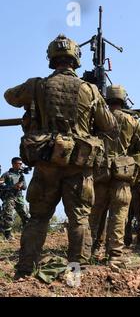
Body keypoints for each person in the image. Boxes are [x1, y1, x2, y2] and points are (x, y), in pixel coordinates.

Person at [4, 34, 117, 278]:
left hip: (46, 164)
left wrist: (34, 100)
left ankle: (24, 271)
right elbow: (108, 125)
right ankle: (77, 271)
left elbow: (9, 96)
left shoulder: (36, 85)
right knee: (79, 219)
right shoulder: (90, 90)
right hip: (78, 166)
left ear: (51, 58)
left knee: (38, 218)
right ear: (76, 59)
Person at [89, 84, 140, 268]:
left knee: (96, 213)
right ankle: (114, 256)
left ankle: (89, 251)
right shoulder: (130, 120)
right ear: (123, 99)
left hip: (101, 173)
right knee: (118, 214)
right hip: (121, 174)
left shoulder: (98, 117)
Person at [0, 158, 30, 240]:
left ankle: (28, 234)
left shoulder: (21, 175)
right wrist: (11, 186)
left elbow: (24, 187)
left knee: (26, 216)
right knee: (8, 216)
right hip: (9, 198)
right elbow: (1, 185)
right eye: (18, 163)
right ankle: (8, 235)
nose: (20, 165)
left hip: (19, 197)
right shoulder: (7, 174)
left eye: (21, 163)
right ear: (13, 164)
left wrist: (21, 184)